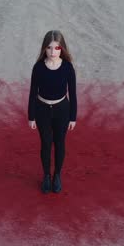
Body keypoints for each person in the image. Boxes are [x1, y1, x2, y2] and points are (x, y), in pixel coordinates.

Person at [27, 30, 77, 194]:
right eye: (49, 48)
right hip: (42, 110)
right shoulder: (39, 67)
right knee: (46, 144)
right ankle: (46, 176)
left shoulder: (68, 68)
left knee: (60, 143)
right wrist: (31, 116)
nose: (53, 52)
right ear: (44, 49)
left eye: (57, 48)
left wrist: (73, 117)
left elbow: (73, 93)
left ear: (62, 49)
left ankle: (57, 175)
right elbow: (33, 92)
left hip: (62, 110)